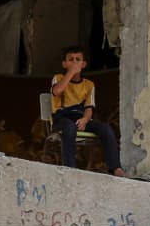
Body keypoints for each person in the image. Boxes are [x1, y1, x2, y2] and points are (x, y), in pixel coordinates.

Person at [49, 45, 123, 176]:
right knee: (69, 127)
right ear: (64, 64)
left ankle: (115, 168)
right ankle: (70, 168)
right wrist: (71, 73)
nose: (74, 62)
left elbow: (89, 108)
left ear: (83, 64)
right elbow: (57, 90)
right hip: (62, 118)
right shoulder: (59, 78)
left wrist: (85, 119)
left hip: (80, 118)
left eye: (78, 59)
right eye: (71, 59)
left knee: (105, 128)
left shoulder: (89, 85)